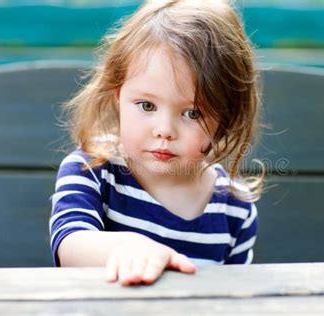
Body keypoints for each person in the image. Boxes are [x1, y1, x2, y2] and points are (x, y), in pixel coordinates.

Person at [49, 0, 264, 286]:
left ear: (225, 118)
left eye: (192, 113)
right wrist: (130, 248)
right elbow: (70, 245)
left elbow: (236, 296)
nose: (164, 130)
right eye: (147, 106)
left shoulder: (234, 209)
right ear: (118, 96)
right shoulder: (92, 169)